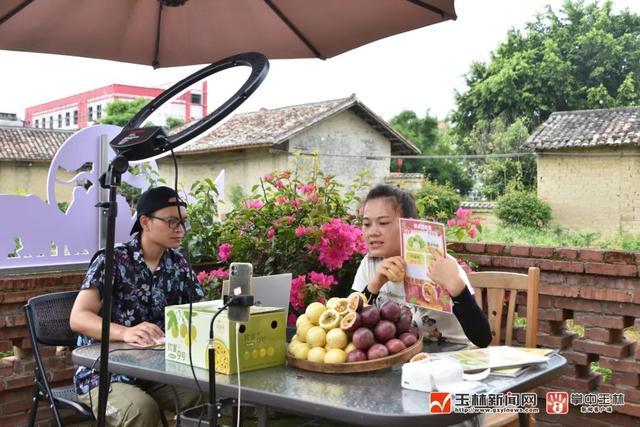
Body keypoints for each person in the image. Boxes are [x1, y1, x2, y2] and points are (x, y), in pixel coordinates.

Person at [70, 186, 205, 427]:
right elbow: (79, 318)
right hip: (104, 372)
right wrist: (125, 332)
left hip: (157, 369)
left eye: (183, 222)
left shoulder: (178, 264)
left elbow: (200, 311)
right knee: (142, 410)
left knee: (203, 393)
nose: (180, 229)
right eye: (172, 221)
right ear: (145, 222)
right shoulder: (112, 259)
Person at [352, 184, 492, 348]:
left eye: (383, 222)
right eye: (367, 224)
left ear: (408, 225)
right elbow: (351, 325)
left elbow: (482, 339)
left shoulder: (440, 264)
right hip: (402, 359)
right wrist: (374, 285)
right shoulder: (369, 264)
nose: (372, 232)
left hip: (452, 358)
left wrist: (456, 287)